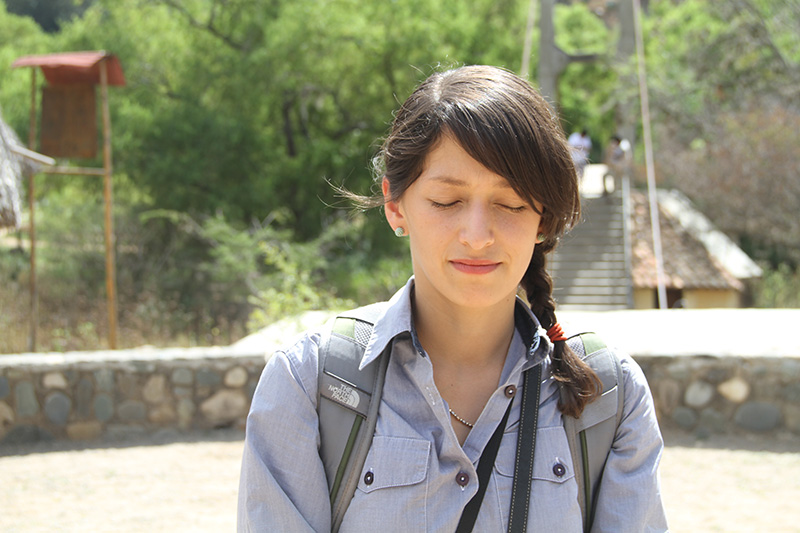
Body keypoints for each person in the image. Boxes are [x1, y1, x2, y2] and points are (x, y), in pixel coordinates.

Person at [238, 65, 667, 532]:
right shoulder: (312, 385)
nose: (478, 236)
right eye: (447, 202)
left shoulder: (606, 395)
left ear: (542, 218)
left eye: (511, 204)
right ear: (395, 205)